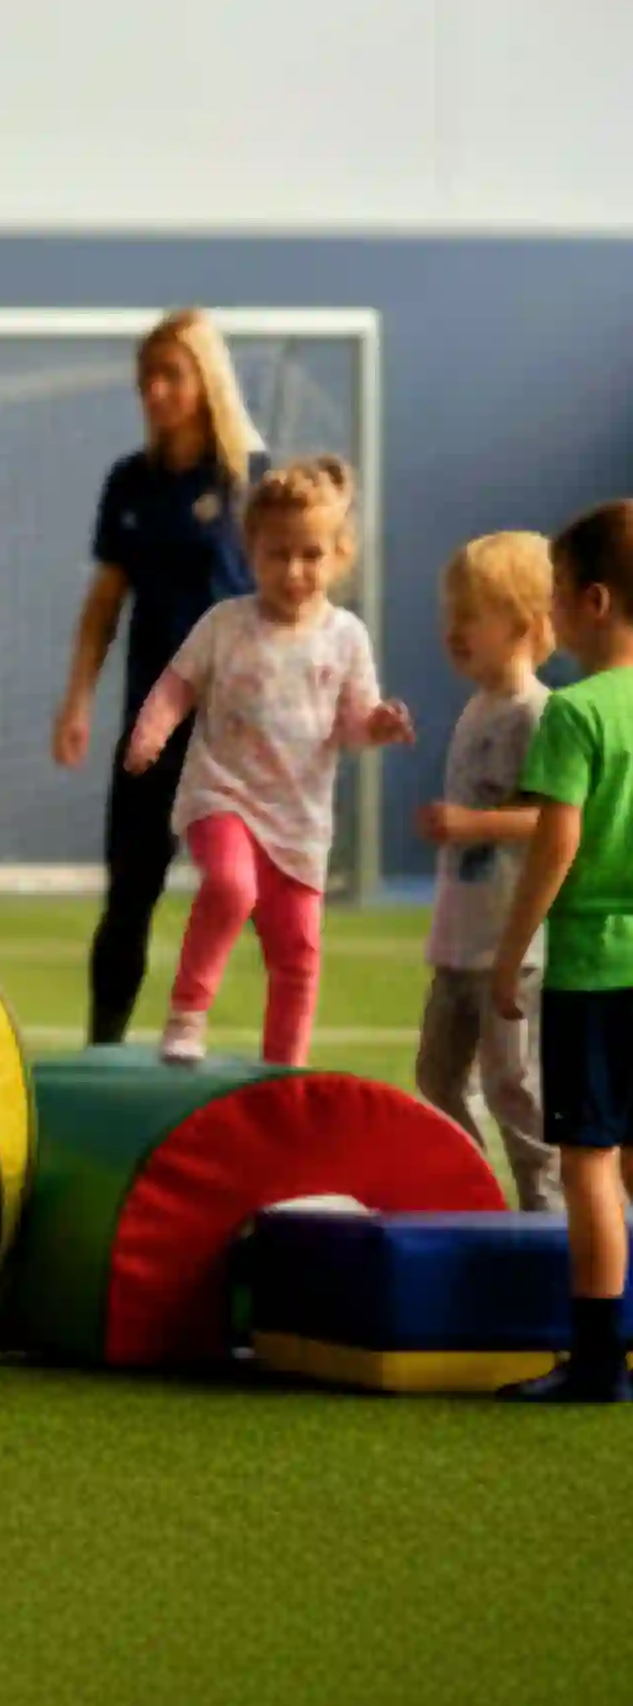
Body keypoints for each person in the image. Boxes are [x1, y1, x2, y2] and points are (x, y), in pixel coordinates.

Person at [121, 459, 410, 1065]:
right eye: (277, 554)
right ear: (250, 550)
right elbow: (178, 683)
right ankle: (187, 1014)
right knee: (229, 885)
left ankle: (285, 1067)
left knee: (299, 952)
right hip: (222, 795)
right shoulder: (226, 625)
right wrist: (151, 730)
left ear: (339, 555)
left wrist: (376, 724)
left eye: (311, 555)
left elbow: (352, 723)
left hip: (299, 819)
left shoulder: (346, 637)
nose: (294, 571)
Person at [55, 310, 262, 1043]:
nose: (155, 390)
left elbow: (294, 599)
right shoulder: (130, 483)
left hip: (240, 730)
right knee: (130, 891)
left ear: (205, 381)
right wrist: (78, 697)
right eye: (147, 376)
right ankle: (102, 1043)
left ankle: (256, 1050)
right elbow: (105, 604)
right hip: (154, 720)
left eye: (171, 374)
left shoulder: (248, 480)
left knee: (253, 890)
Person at [490, 502, 633, 1401]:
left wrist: (512, 951)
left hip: (593, 967)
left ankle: (594, 1363)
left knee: (588, 1162)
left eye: (552, 600)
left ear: (592, 601)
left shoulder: (577, 713)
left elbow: (557, 841)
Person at [418, 532, 560, 1208]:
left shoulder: (541, 716)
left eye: (472, 615)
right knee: (438, 1078)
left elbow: (554, 820)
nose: (455, 631)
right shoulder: (477, 710)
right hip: (458, 942)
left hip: (512, 947)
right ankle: (471, 1194)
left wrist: (472, 826)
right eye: (453, 614)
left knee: (514, 1085)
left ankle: (551, 1207)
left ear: (526, 627)